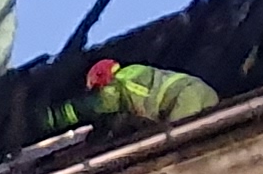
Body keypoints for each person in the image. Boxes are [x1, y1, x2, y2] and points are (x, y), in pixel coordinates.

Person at [74, 55, 218, 128]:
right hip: (203, 90)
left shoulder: (123, 82)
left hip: (186, 96)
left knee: (178, 138)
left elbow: (144, 109)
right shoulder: (134, 71)